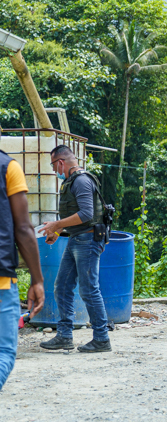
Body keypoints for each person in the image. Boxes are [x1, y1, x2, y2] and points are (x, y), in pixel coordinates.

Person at [39, 145, 112, 353]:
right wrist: (58, 231)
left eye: (54, 165)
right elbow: (79, 219)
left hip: (88, 241)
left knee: (89, 289)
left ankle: (102, 339)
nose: (55, 171)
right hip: (77, 239)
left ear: (60, 162)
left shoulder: (81, 181)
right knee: (62, 286)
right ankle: (64, 335)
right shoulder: (73, 181)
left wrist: (57, 225)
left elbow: (87, 214)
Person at [0, 148, 45, 390]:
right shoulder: (8, 166)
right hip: (1, 279)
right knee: (4, 352)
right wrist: (37, 280)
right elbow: (24, 228)